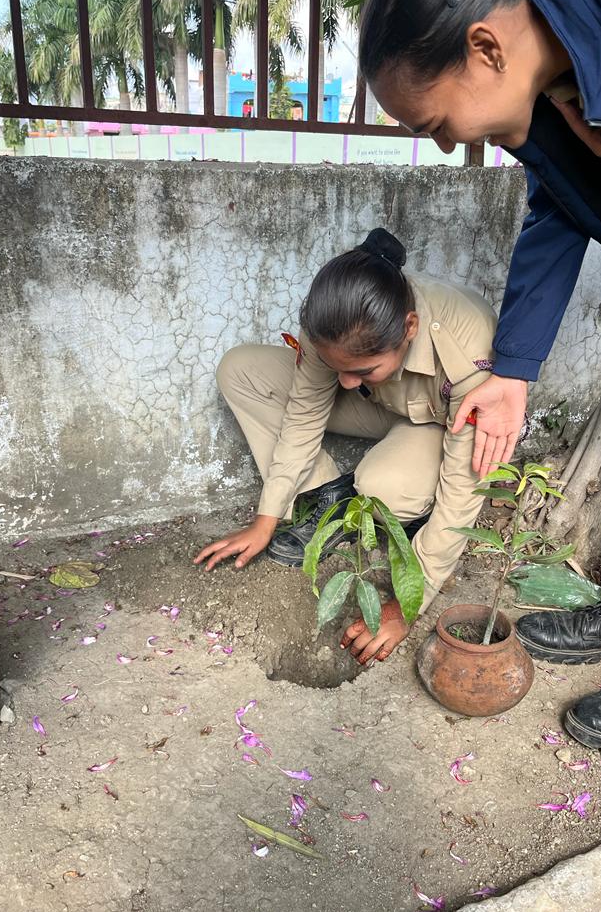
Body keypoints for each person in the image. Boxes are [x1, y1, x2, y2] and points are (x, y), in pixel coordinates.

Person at [358, 0, 601, 755]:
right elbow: (559, 208)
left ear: (485, 48)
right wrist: (513, 370)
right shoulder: (548, 92)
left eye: (433, 123)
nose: (441, 145)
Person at [195, 228, 498, 665]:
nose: (344, 382)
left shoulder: (466, 346)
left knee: (382, 488)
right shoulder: (333, 323)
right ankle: (327, 496)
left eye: (362, 368)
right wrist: (267, 518)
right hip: (376, 406)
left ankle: (393, 504)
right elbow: (304, 415)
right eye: (338, 368)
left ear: (409, 328)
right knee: (241, 369)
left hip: (436, 422)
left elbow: (464, 491)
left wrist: (408, 605)